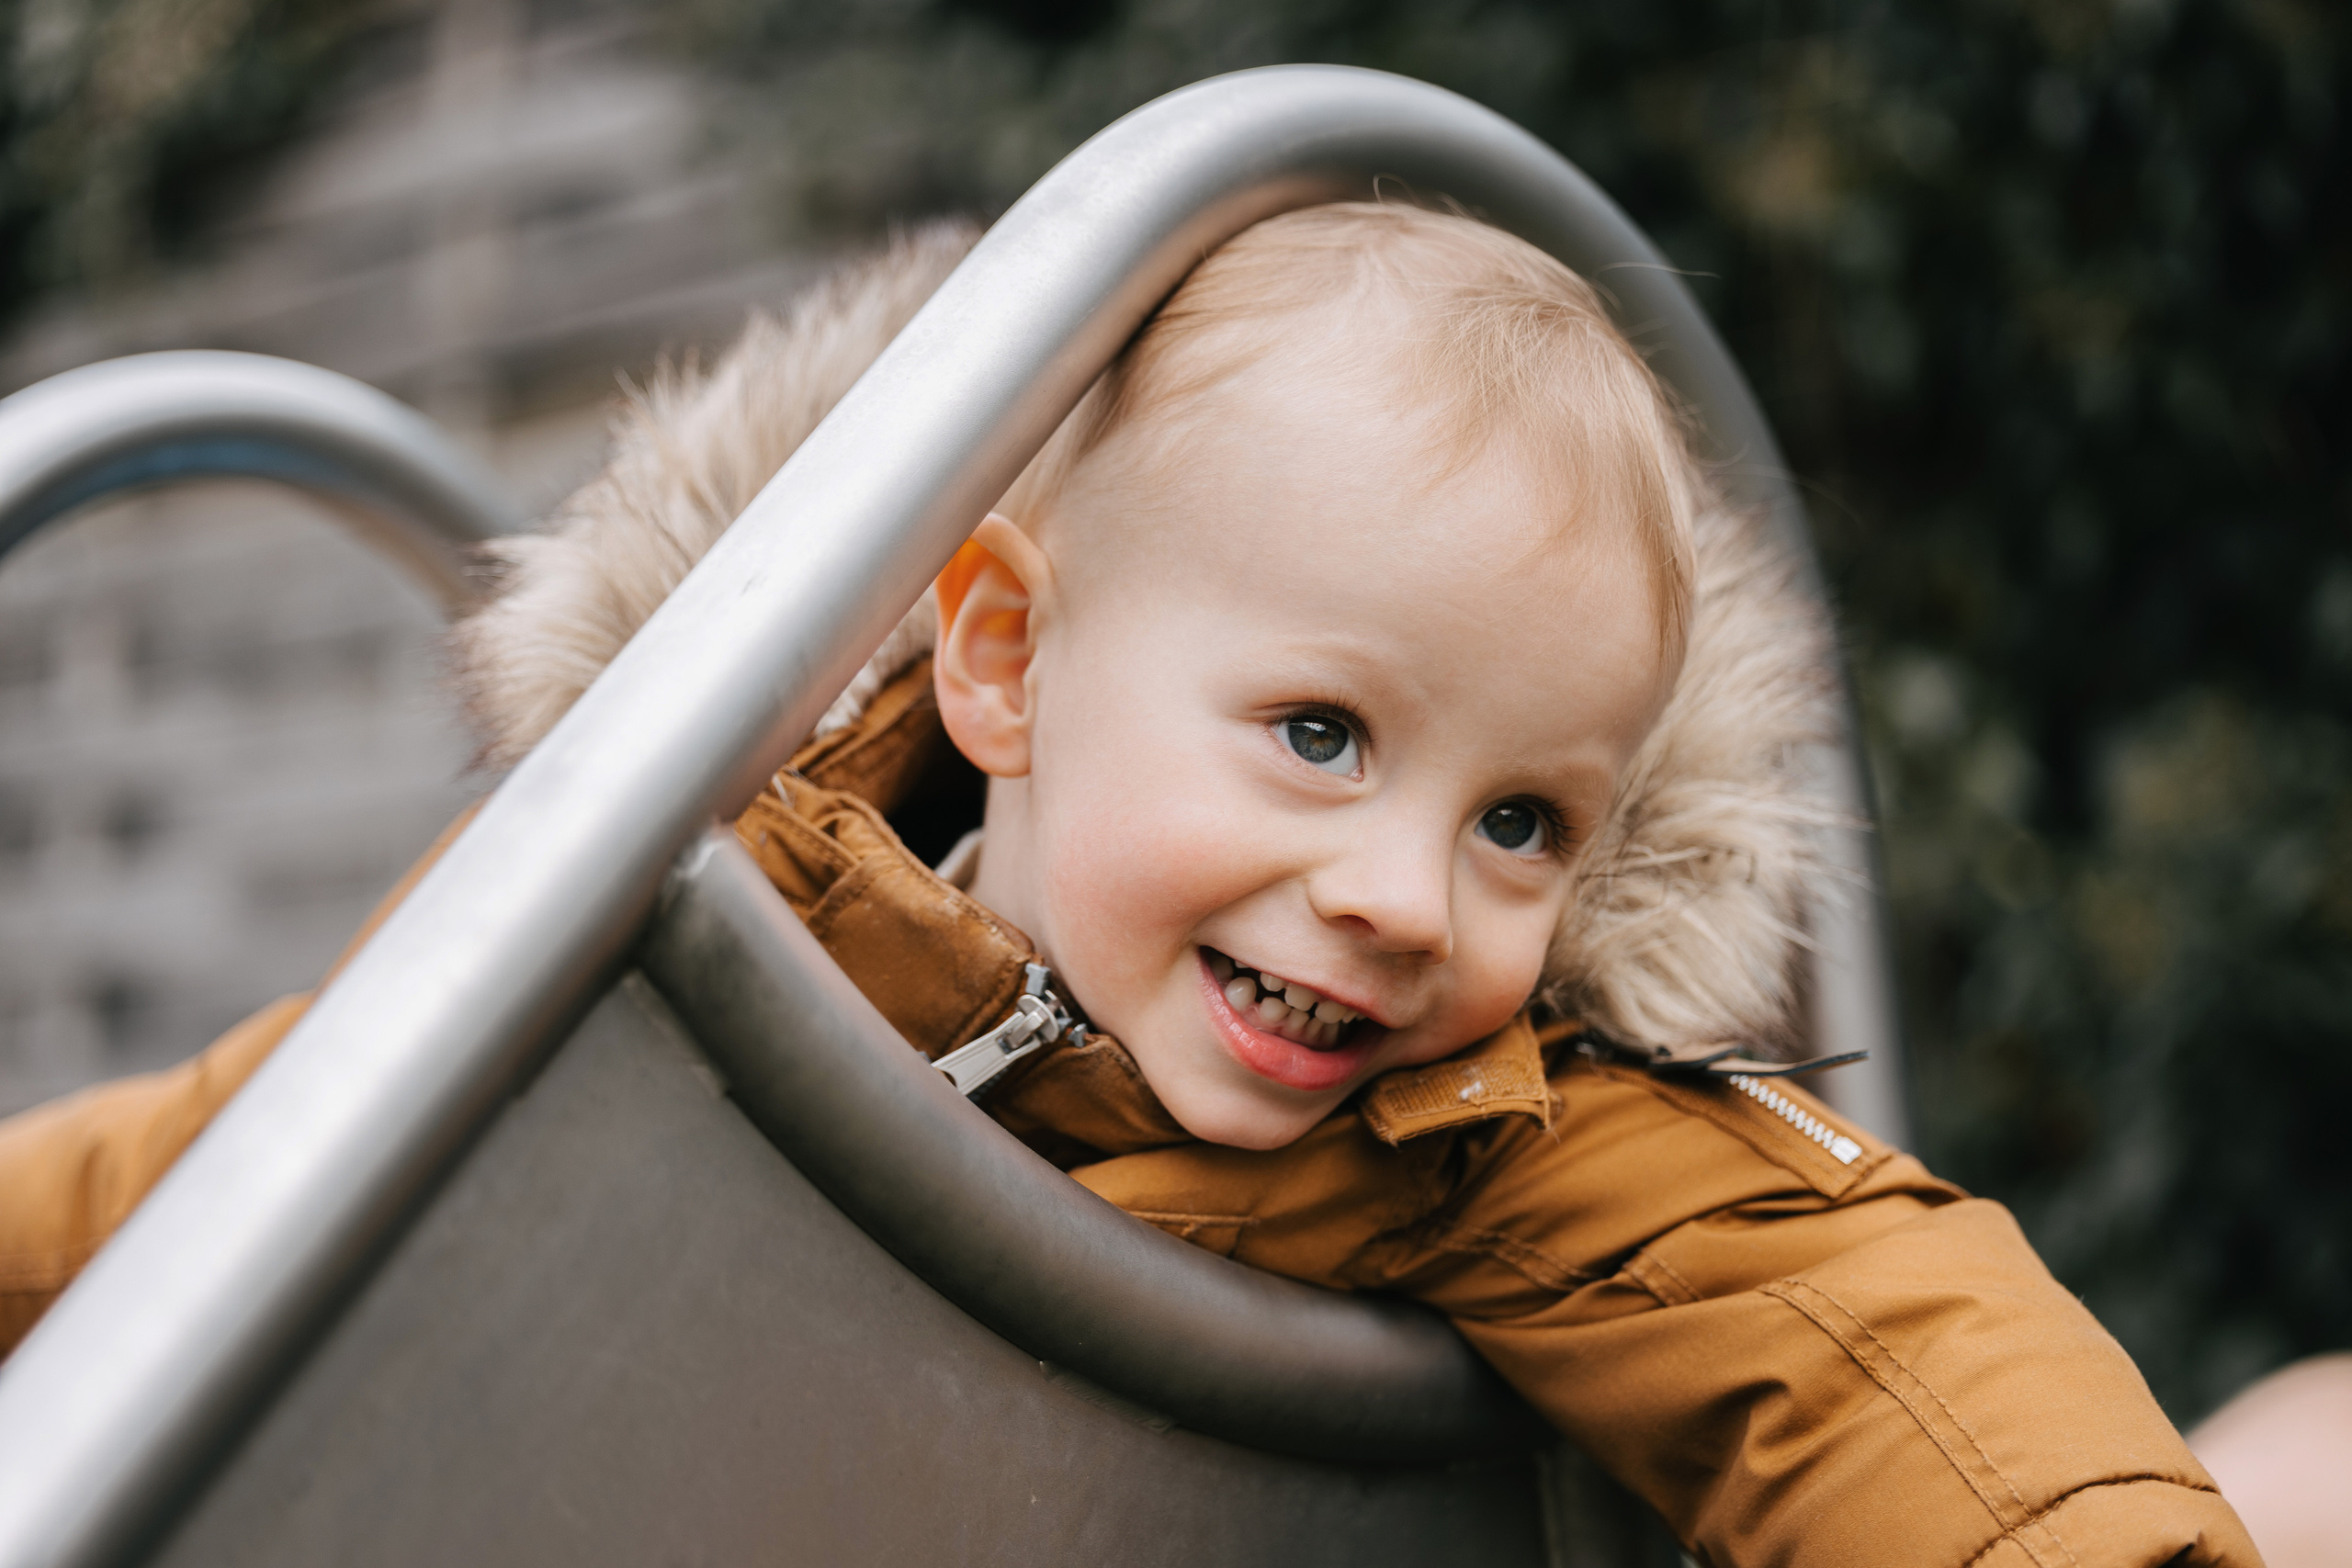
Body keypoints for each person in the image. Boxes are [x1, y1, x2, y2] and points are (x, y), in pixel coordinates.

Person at [0, 206, 2260, 1564]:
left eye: (1520, 822)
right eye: (1319, 734)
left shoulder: (1485, 1129)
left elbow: (1880, 1338)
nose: (1399, 895)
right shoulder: (667, 915)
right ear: (999, 659)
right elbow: (234, 1162)